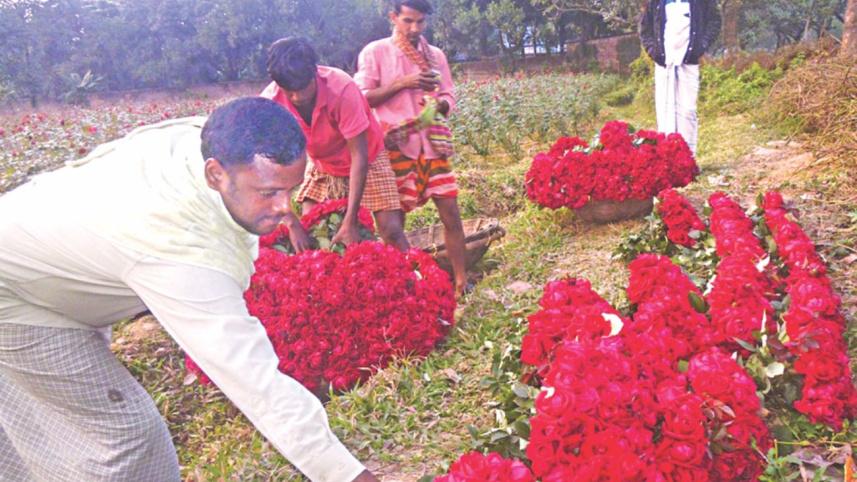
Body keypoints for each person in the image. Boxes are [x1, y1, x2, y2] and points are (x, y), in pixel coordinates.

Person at [0, 97, 379, 482]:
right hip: (14, 297)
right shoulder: (174, 242)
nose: (286, 207)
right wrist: (347, 475)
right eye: (268, 193)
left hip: (48, 266)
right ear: (215, 174)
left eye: (291, 189)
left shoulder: (212, 139)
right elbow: (257, 387)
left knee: (26, 433)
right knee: (127, 436)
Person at [354, 0, 469, 298]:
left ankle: (461, 282)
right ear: (394, 17)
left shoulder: (436, 56)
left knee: (451, 214)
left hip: (433, 145)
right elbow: (362, 98)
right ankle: (406, 286)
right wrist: (403, 83)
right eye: (408, 21)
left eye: (420, 22)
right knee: (394, 226)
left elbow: (449, 95)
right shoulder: (375, 52)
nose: (414, 28)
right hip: (395, 146)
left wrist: (439, 106)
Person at [261, 37, 409, 253]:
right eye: (289, 91)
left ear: (314, 72)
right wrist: (291, 223)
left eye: (303, 88)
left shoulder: (341, 89)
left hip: (368, 158)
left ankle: (415, 270)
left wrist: (350, 221)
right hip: (323, 164)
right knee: (314, 231)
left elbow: (359, 157)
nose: (297, 97)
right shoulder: (270, 104)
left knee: (391, 230)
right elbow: (269, 168)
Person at [640, 0, 721, 156]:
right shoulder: (656, 2)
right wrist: (655, 52)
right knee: (665, 112)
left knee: (688, 111)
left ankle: (688, 158)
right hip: (664, 66)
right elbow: (645, 29)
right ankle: (668, 157)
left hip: (688, 64)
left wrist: (700, 47)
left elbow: (714, 22)